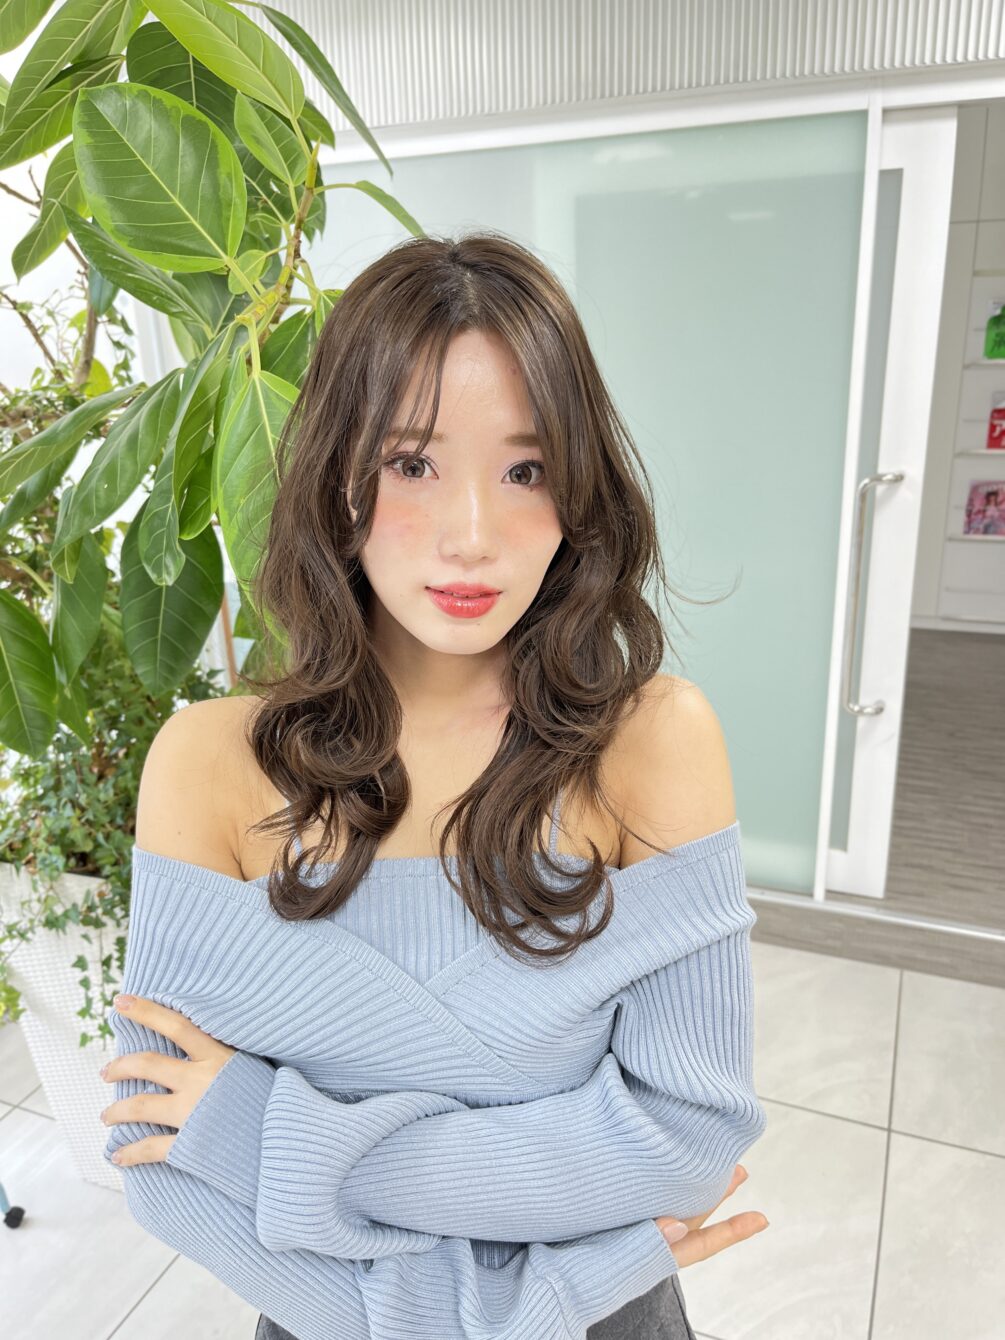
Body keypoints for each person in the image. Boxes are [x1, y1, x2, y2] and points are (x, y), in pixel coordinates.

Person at [100, 231, 769, 1339]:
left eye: (526, 470)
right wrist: (533, 1293)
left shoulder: (649, 744)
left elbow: (687, 1138)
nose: (472, 537)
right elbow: (160, 1155)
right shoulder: (209, 764)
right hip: (376, 1312)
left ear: (579, 490)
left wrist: (272, 1134)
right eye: (412, 464)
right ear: (338, 475)